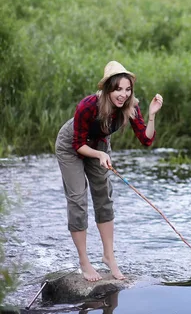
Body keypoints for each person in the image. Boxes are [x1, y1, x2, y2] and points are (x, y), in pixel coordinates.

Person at [55, 61, 164, 281]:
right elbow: (77, 145)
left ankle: (109, 257)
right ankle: (84, 262)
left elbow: (146, 139)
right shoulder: (88, 106)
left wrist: (152, 115)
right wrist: (99, 154)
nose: (123, 95)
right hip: (72, 145)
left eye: (127, 89)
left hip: (99, 144)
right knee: (77, 199)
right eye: (118, 89)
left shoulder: (131, 107)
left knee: (104, 197)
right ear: (107, 88)